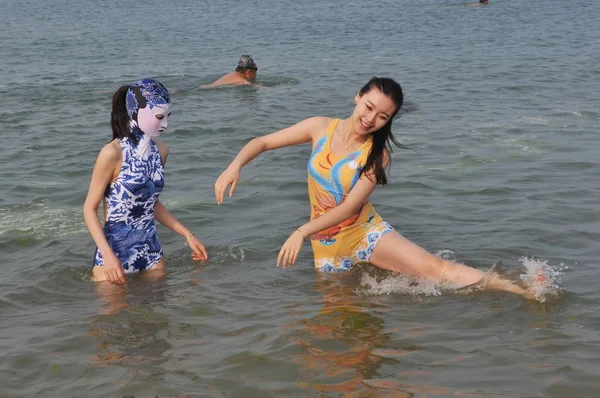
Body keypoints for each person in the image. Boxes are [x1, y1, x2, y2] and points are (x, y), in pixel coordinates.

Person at [215, 76, 531, 297]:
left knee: (433, 268)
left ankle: (520, 289)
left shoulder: (377, 155)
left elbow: (350, 207)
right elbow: (264, 141)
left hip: (365, 232)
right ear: (358, 97)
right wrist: (235, 165)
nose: (371, 119)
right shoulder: (320, 127)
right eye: (368, 107)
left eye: (382, 117)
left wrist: (301, 231)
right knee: (339, 330)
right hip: (326, 245)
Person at [84, 79, 208, 285]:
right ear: (136, 112)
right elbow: (89, 209)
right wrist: (107, 255)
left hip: (152, 254)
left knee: (159, 315)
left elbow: (151, 203)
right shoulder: (112, 153)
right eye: (159, 117)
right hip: (113, 256)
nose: (165, 124)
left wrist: (188, 235)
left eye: (168, 116)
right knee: (113, 317)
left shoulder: (161, 151)